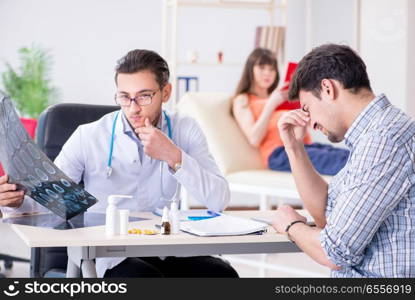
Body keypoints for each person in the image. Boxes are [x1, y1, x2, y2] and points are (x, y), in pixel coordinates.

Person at [0, 49, 238, 278]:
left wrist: (174, 156)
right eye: (125, 97)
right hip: (111, 253)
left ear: (165, 93)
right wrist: (16, 202)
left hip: (167, 246)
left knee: (222, 275)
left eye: (144, 96)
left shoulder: (185, 129)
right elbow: (53, 204)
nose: (133, 108)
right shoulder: (89, 136)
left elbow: (218, 200)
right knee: (142, 278)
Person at [271, 43, 415, 277]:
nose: (311, 122)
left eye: (307, 107)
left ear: (327, 88)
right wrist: (294, 147)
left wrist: (291, 226)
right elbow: (327, 217)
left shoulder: (383, 140)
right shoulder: (372, 135)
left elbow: (335, 252)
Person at [232, 48, 349, 176]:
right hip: (279, 153)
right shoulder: (243, 99)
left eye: (271, 69)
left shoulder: (281, 96)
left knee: (349, 156)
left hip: (304, 146)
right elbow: (254, 139)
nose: (267, 73)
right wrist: (271, 104)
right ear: (250, 70)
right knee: (340, 161)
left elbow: (306, 128)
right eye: (262, 68)